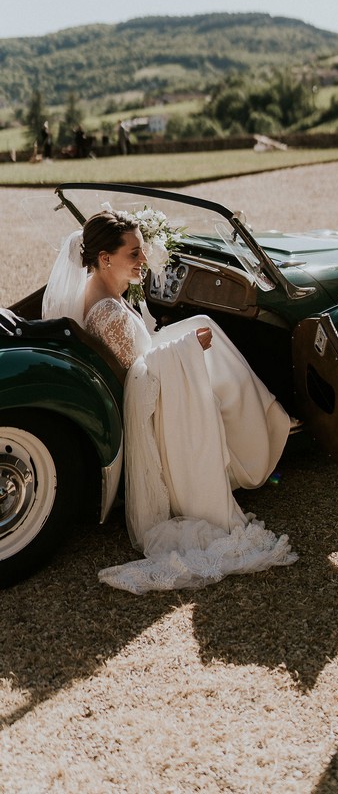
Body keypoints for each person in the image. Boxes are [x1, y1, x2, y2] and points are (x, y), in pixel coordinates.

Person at [42, 209, 295, 592]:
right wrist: (186, 350)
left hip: (149, 381)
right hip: (150, 406)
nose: (143, 260)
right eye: (134, 254)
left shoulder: (102, 291)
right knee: (209, 346)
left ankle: (261, 414)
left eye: (142, 251)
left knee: (204, 329)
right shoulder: (107, 312)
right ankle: (260, 432)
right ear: (105, 259)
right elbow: (139, 375)